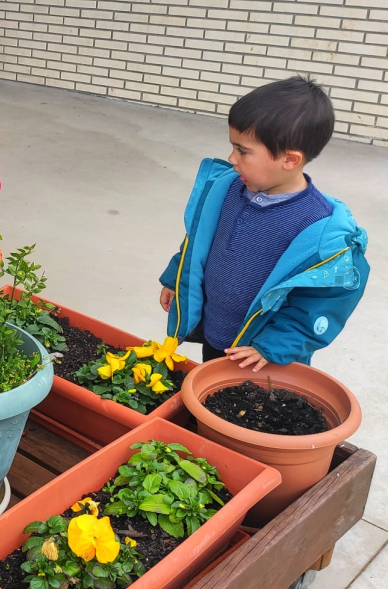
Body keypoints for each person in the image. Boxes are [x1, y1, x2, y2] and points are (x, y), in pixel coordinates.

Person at [158, 76, 369, 372]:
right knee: (208, 387)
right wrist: (174, 278)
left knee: (245, 411)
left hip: (262, 356)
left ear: (290, 160)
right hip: (216, 334)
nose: (232, 159)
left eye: (243, 150)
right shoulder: (225, 190)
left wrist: (273, 347)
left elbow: (325, 302)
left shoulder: (322, 231)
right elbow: (197, 242)